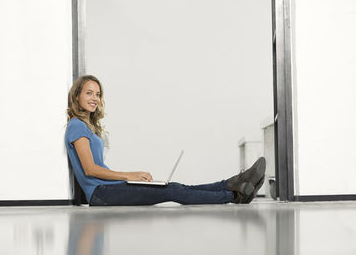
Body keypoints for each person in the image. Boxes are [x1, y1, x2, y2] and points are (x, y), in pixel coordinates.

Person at [65, 75, 266, 206]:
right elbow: (90, 170)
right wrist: (130, 175)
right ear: (76, 97)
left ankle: (233, 183)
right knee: (173, 190)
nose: (95, 98)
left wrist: (128, 178)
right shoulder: (77, 125)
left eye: (98, 94)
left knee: (175, 186)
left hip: (107, 189)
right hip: (101, 194)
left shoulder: (87, 127)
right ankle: (235, 195)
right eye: (89, 93)